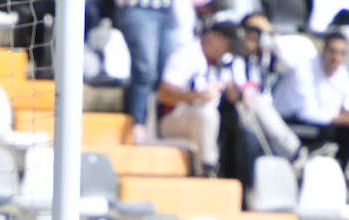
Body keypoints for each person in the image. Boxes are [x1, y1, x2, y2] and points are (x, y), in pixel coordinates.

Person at [272, 32, 349, 170]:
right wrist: (348, 120)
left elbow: (343, 102)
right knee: (340, 130)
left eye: (342, 53)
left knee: (347, 132)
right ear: (323, 50)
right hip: (288, 120)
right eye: (332, 51)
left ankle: (339, 173)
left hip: (316, 121)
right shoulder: (304, 70)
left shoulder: (341, 73)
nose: (336, 58)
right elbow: (307, 112)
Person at [156, 21, 241, 177]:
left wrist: (238, 92)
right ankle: (207, 169)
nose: (228, 51)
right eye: (227, 45)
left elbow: (232, 93)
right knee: (206, 112)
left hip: (206, 124)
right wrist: (197, 96)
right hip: (173, 119)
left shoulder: (224, 62)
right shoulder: (187, 55)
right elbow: (164, 94)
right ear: (215, 38)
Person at [227, 16, 304, 163]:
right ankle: (296, 152)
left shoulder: (263, 60)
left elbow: (290, 64)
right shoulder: (230, 59)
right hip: (240, 111)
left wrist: (271, 35)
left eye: (257, 33)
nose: (252, 37)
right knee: (256, 102)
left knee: (260, 104)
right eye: (249, 31)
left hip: (266, 114)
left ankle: (294, 155)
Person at [115, 0, 178, 144]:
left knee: (167, 70)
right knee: (145, 70)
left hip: (167, 10)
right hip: (138, 7)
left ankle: (155, 123)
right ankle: (137, 123)